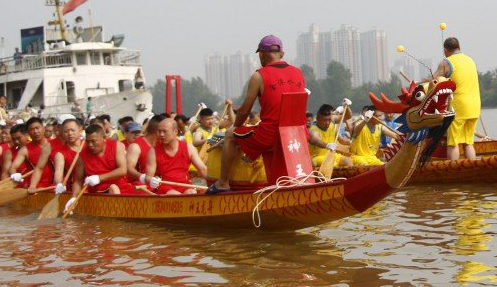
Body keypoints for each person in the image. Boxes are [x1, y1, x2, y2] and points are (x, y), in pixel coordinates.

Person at [206, 35, 306, 194]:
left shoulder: (258, 76)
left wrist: (236, 126)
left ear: (261, 54)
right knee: (255, 133)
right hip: (298, 134)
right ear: (282, 53)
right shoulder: (298, 72)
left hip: (270, 135)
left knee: (231, 135)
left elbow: (245, 110)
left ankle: (223, 183)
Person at [431, 37, 481, 160]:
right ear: (459, 47)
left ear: (445, 50)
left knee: (453, 143)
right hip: (475, 106)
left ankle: (452, 169)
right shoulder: (470, 60)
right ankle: (472, 167)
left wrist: (418, 84)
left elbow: (433, 81)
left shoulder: (446, 62)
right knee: (468, 142)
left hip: (459, 107)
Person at [145, 118, 207, 194]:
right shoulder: (153, 151)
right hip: (164, 186)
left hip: (185, 185)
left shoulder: (189, 148)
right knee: (175, 194)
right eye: (159, 131)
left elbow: (203, 169)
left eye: (164, 131)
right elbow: (148, 177)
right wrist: (152, 181)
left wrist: (207, 185)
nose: (161, 134)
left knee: (192, 192)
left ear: (175, 131)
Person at [71, 124, 134, 195]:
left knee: (114, 188)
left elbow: (122, 170)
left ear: (104, 138)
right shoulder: (82, 155)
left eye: (93, 141)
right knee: (113, 188)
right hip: (97, 193)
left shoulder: (117, 146)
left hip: (121, 188)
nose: (90, 145)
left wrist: (99, 178)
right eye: (87, 141)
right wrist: (74, 197)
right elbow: (78, 181)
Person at [10, 117, 54, 190]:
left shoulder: (54, 144)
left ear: (43, 128)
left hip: (56, 187)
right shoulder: (25, 150)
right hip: (36, 188)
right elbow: (13, 168)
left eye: (37, 128)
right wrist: (15, 176)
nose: (35, 132)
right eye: (31, 129)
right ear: (28, 133)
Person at [308, 103, 352, 168]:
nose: (327, 123)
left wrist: (346, 106)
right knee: (332, 164)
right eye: (324, 120)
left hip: (331, 155)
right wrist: (327, 145)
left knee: (348, 161)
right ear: (317, 118)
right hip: (317, 158)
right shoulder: (313, 130)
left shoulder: (332, 120)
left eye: (329, 119)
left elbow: (348, 116)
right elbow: (316, 141)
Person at [127, 115, 162, 182]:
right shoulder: (135, 146)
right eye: (164, 131)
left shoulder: (163, 144)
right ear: (157, 131)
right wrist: (143, 177)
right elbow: (128, 169)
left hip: (161, 183)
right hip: (141, 184)